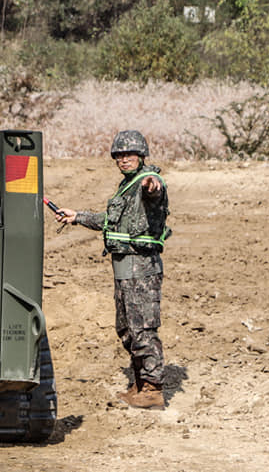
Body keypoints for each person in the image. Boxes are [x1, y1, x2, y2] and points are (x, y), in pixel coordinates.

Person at [53, 130, 170, 410]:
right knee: (127, 328)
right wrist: (78, 217)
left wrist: (152, 185)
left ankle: (153, 388)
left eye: (129, 154)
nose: (123, 159)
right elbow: (111, 221)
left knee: (142, 328)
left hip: (142, 268)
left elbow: (154, 190)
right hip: (124, 269)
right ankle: (141, 383)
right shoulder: (126, 187)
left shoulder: (146, 183)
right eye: (119, 155)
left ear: (141, 156)